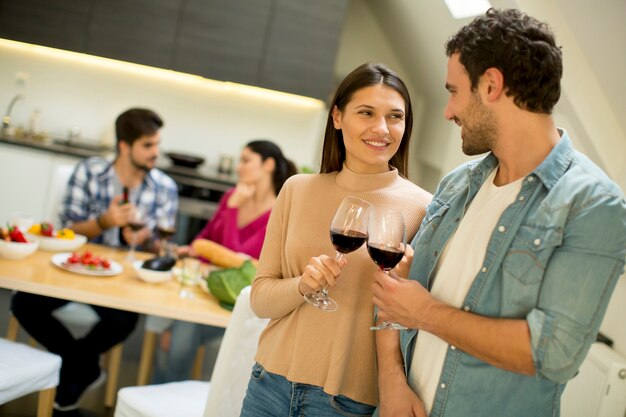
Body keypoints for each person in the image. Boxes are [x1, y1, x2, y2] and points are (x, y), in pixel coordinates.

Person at [372, 8, 626, 417]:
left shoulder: (594, 204)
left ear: (491, 85)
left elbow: (554, 354)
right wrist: (391, 383)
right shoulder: (457, 184)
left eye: (454, 92)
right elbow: (395, 294)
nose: (447, 111)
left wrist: (426, 314)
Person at [239, 63, 432, 417]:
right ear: (338, 117)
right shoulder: (296, 189)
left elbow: (416, 323)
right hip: (268, 385)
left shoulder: (423, 208)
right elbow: (260, 300)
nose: (381, 128)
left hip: (345, 404)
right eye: (366, 113)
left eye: (395, 116)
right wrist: (302, 285)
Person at [11, 107, 179, 411]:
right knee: (23, 304)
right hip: (74, 267)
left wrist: (145, 241)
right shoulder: (89, 172)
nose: (156, 153)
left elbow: (161, 247)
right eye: (148, 145)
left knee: (125, 320)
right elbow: (67, 229)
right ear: (125, 146)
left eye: (157, 144)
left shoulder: (164, 187)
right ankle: (83, 366)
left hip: (121, 281)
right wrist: (103, 222)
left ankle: (71, 368)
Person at [150, 140, 297, 383]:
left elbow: (239, 262)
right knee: (172, 336)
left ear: (268, 165)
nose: (239, 167)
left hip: (241, 306)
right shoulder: (232, 196)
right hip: (208, 294)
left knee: (177, 339)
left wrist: (231, 211)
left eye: (246, 160)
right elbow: (204, 241)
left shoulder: (278, 212)